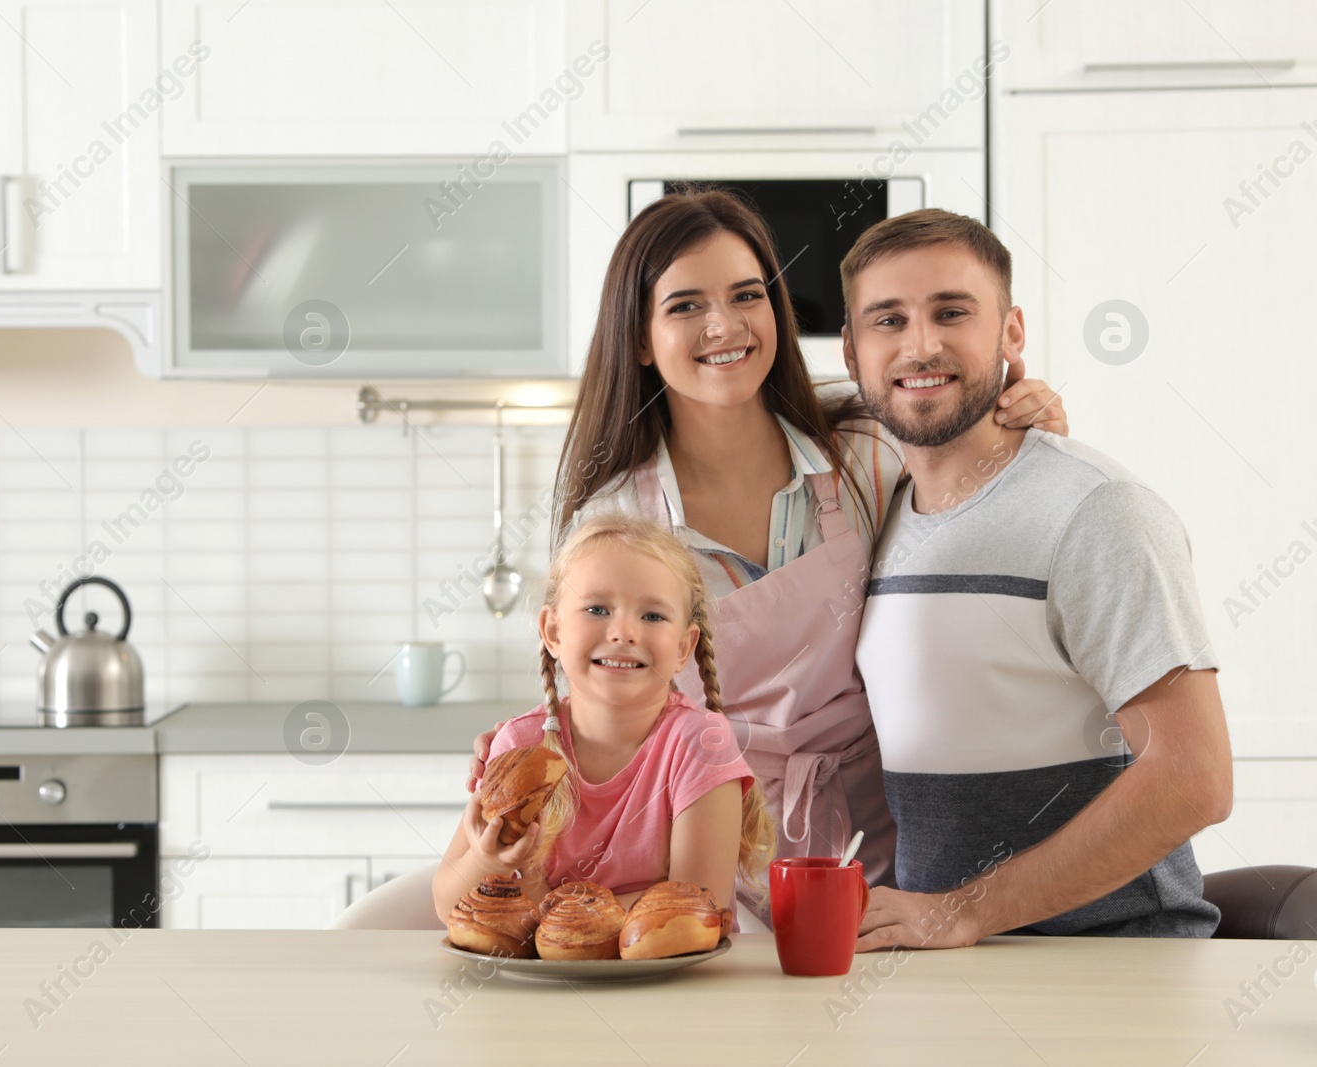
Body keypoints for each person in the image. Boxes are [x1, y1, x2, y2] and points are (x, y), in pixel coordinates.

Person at [465, 189, 1070, 923]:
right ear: (638, 338)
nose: (724, 326)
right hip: (718, 859)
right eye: (685, 305)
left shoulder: (866, 448)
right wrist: (532, 736)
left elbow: (991, 530)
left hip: (906, 859)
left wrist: (1027, 430)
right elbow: (604, 688)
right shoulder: (616, 522)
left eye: (746, 295)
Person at [842, 209, 1233, 947]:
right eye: (887, 320)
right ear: (853, 350)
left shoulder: (1096, 510)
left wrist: (964, 911)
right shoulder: (876, 513)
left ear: (1012, 333)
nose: (920, 343)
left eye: (951, 312)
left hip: (1113, 965)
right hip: (949, 968)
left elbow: (1195, 775)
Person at [433, 514, 772, 922]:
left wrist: (545, 908)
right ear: (553, 632)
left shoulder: (700, 744)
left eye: (652, 616)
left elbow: (698, 908)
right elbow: (446, 906)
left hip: (671, 985)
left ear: (684, 646)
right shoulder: (520, 746)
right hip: (539, 986)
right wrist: (487, 862)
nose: (623, 632)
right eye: (597, 608)